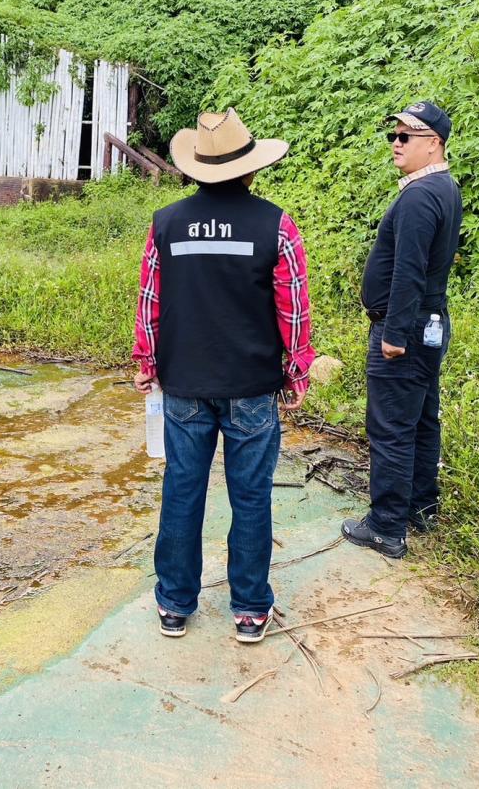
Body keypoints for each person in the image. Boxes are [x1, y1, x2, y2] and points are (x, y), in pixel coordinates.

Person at [133, 108, 315, 643]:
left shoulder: (166, 224)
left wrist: (147, 362)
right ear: (250, 168)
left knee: (182, 490)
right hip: (251, 386)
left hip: (184, 385)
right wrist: (297, 370)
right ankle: (251, 609)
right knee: (251, 495)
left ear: (197, 168)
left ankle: (174, 604)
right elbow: (292, 307)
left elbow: (150, 301)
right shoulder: (275, 225)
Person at [342, 101, 462, 559]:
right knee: (422, 417)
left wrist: (394, 334)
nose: (396, 143)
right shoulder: (443, 186)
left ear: (433, 144)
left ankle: (386, 527)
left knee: (391, 426)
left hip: (406, 329)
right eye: (394, 135)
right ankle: (420, 506)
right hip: (430, 322)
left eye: (406, 136)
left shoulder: (418, 197)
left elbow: (409, 271)